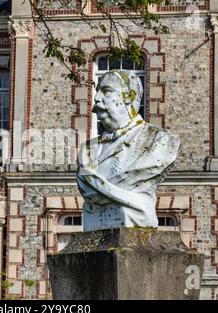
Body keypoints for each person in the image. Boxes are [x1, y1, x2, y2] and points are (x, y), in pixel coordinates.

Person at [77, 70, 181, 230]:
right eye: (97, 91)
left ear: (129, 97)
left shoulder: (161, 141)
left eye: (106, 91)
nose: (96, 98)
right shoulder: (87, 151)